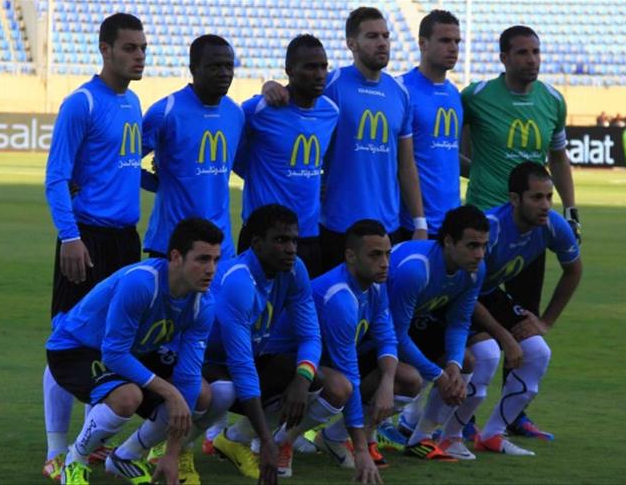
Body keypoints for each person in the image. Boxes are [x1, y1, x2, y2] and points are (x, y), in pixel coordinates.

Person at [460, 25, 581, 439]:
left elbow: (558, 158)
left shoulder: (553, 100)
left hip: (530, 232)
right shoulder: (476, 97)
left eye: (536, 52)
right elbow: (451, 146)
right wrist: (475, 170)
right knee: (472, 325)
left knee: (525, 326)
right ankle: (462, 414)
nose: (532, 59)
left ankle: (511, 415)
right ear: (504, 57)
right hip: (484, 230)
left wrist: (570, 209)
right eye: (523, 52)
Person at [42, 13, 146, 482]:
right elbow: (56, 178)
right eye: (129, 48)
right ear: (105, 49)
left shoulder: (134, 102)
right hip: (86, 238)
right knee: (67, 338)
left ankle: (89, 443)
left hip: (125, 240)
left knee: (111, 341)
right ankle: (56, 451)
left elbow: (124, 166)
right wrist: (70, 237)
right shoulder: (81, 103)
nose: (138, 56)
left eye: (142, 48)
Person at [45, 218, 224, 485]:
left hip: (133, 349)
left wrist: (172, 453)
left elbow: (187, 377)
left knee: (200, 393)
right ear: (176, 257)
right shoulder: (142, 283)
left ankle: (125, 456)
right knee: (128, 397)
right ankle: (75, 459)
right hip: (76, 347)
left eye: (216, 260)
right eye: (202, 259)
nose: (211, 270)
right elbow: (113, 354)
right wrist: (169, 391)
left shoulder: (203, 304)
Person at [263, 7, 428, 272]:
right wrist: (270, 86)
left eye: (385, 36)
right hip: (338, 226)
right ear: (352, 43)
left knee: (379, 297)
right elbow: (293, 100)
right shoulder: (331, 85)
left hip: (387, 227)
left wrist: (420, 222)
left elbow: (406, 163)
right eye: (372, 36)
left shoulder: (400, 93)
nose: (382, 43)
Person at [203, 204, 350, 485]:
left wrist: (302, 379)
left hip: (248, 362)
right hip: (207, 364)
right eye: (281, 240)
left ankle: (238, 440)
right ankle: (163, 451)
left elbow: (310, 335)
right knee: (222, 389)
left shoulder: (294, 270)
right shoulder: (239, 280)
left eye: (294, 240)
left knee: (320, 382)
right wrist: (266, 438)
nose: (291, 248)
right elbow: (241, 364)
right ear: (257, 243)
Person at [280, 220, 419, 479]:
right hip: (288, 366)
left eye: (387, 254)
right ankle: (282, 440)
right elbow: (350, 372)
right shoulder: (340, 297)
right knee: (340, 386)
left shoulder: (376, 285)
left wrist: (387, 382)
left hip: (327, 363)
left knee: (408, 379)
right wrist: (362, 450)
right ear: (351, 257)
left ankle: (333, 437)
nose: (385, 263)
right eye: (375, 255)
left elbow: (387, 338)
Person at [466, 162, 581, 456]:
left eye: (549, 197)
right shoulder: (490, 228)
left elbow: (574, 270)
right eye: (536, 197)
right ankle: (430, 429)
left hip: (487, 294)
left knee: (538, 352)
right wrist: (505, 337)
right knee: (486, 355)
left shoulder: (553, 225)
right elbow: (464, 293)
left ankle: (492, 435)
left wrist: (545, 322)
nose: (546, 205)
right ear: (515, 199)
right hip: (456, 297)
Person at [377, 206, 493, 462]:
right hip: (373, 325)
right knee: (409, 377)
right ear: (449, 242)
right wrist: (439, 376)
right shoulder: (416, 271)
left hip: (406, 322)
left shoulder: (475, 270)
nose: (480, 254)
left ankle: (421, 438)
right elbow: (396, 335)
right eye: (472, 246)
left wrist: (452, 366)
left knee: (465, 362)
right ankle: (347, 433)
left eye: (484, 246)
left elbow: (459, 322)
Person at [235, 34, 339, 277]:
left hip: (308, 236)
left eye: (323, 67)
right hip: (263, 236)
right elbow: (232, 152)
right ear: (289, 70)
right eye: (310, 67)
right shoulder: (259, 109)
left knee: (304, 300)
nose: (319, 74)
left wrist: (319, 181)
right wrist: (256, 174)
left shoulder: (331, 112)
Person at [141, 34, 244, 261]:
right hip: (172, 243)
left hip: (220, 246)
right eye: (215, 66)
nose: (224, 73)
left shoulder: (235, 113)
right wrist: (155, 182)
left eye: (228, 66)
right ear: (193, 68)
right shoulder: (165, 112)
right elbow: (126, 160)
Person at [396, 10, 463, 239]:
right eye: (445, 40)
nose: (453, 48)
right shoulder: (401, 89)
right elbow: (400, 159)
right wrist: (419, 222)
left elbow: (448, 153)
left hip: (451, 223)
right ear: (422, 44)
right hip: (414, 225)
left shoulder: (454, 94)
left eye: (456, 41)